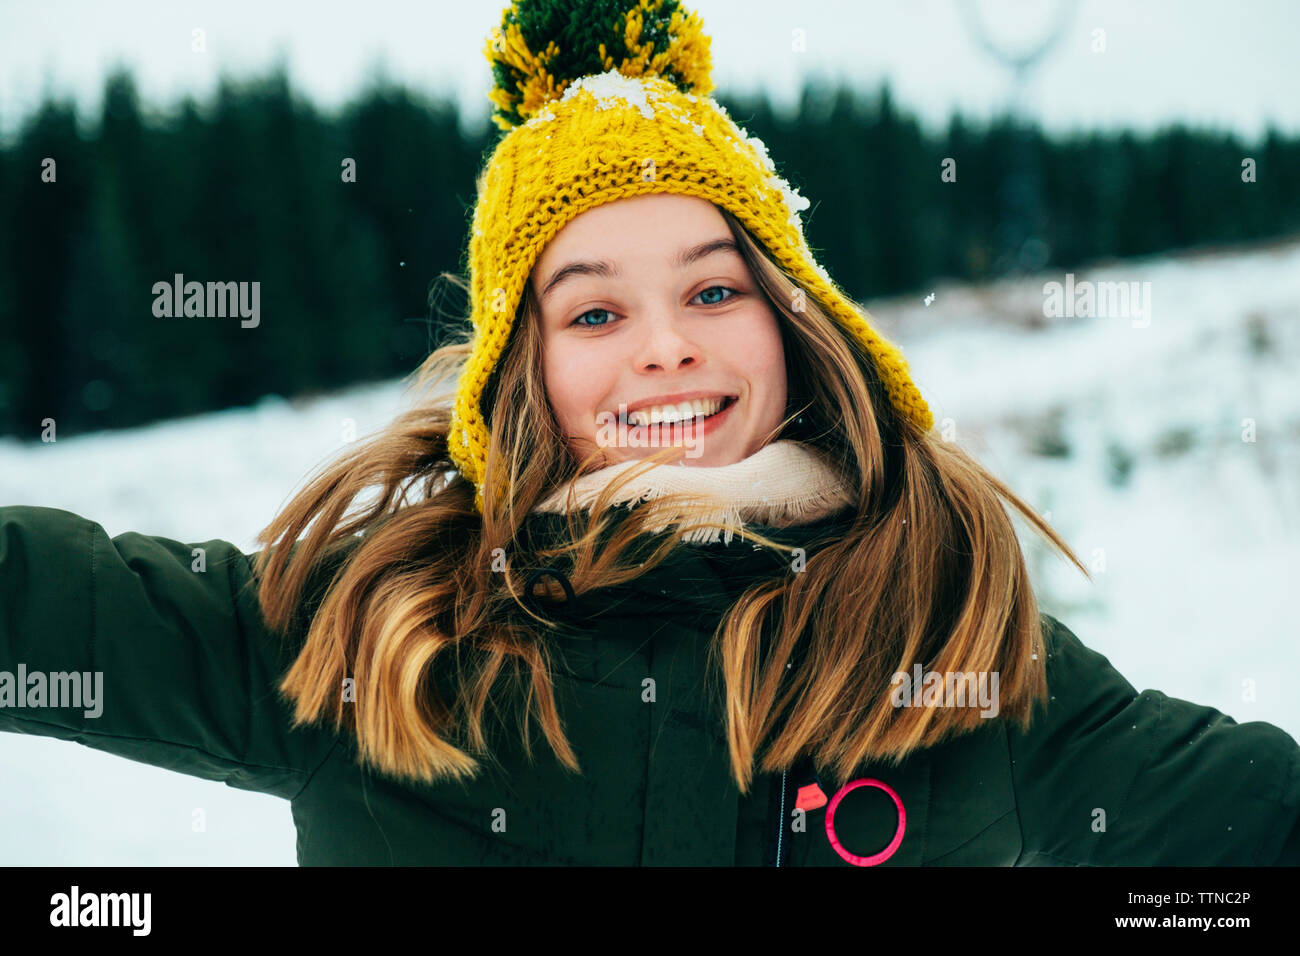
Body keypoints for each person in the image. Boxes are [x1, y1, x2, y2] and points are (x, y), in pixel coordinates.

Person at [2, 0, 1297, 866]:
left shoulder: (950, 647)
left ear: (797, 326)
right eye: (595, 311)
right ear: (525, 372)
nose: (665, 345)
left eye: (714, 290)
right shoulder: (359, 631)